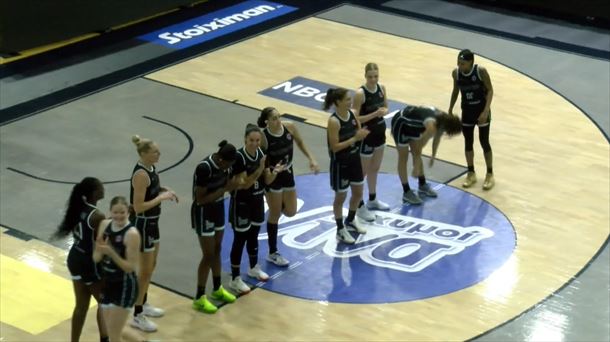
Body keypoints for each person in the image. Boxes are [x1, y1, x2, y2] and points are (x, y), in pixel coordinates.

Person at [257, 107, 319, 266]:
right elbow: (260, 160)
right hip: (272, 175)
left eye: (278, 117)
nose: (278, 121)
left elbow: (300, 142)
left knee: (291, 211)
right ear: (267, 121)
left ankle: (275, 203)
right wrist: (267, 176)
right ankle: (273, 252)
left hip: (287, 171)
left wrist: (311, 159)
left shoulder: (289, 127)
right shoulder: (263, 137)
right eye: (274, 118)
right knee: (275, 214)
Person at [228, 124, 286, 294]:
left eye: (257, 140)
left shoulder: (261, 154)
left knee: (253, 235)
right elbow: (244, 184)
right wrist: (260, 168)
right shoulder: (239, 157)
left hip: (257, 201)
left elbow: (266, 180)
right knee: (240, 239)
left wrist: (274, 171)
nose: (254, 143)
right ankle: (235, 278)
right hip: (241, 203)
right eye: (251, 140)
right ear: (245, 139)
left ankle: (253, 267)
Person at [129, 135, 178, 333]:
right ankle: (137, 314)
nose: (159, 154)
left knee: (152, 266)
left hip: (153, 224)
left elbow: (152, 190)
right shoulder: (141, 175)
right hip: (143, 224)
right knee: (145, 270)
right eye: (155, 152)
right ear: (144, 155)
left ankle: (144, 302)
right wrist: (161, 197)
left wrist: (163, 190)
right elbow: (138, 207)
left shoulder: (151, 169)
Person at [54, 177, 108, 342]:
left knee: (81, 306)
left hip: (75, 257)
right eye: (100, 187)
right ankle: (105, 339)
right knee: (106, 303)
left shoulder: (78, 207)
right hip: (88, 261)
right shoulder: (97, 215)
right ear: (94, 193)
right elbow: (102, 242)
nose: (103, 188)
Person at [191, 140, 241, 313]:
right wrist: (225, 189)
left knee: (218, 249)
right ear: (220, 160)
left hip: (219, 208)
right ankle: (199, 297)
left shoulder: (226, 165)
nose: (229, 167)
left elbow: (230, 181)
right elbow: (200, 199)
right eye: (228, 163)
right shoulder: (204, 168)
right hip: (204, 211)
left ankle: (217, 288)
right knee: (208, 254)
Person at [324, 87, 370, 244]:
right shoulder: (334, 121)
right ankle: (339, 229)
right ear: (338, 102)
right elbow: (335, 147)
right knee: (340, 198)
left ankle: (350, 220)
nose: (351, 101)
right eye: (347, 99)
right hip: (340, 164)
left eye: (350, 99)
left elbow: (358, 132)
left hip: (354, 160)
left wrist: (362, 135)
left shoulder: (352, 114)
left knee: (358, 193)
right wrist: (355, 139)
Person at [391, 105, 462, 204]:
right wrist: (415, 168)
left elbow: (437, 138)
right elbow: (419, 147)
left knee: (416, 152)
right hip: (401, 124)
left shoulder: (443, 119)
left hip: (414, 125)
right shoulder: (431, 126)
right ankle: (406, 191)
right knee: (404, 157)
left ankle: (422, 184)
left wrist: (433, 155)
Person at [93, 196, 141, 342]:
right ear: (110, 212)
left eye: (122, 212)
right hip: (108, 283)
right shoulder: (104, 225)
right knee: (111, 329)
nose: (119, 216)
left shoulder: (132, 234)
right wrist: (100, 249)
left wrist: (111, 252)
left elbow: (130, 267)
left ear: (128, 212)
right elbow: (96, 258)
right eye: (116, 212)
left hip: (125, 286)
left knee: (113, 336)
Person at [448, 49, 495, 190]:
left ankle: (490, 174)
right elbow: (455, 91)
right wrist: (450, 108)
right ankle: (471, 172)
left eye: (462, 63)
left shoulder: (481, 72)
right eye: (458, 62)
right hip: (467, 111)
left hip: (481, 111)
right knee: (468, 142)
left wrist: (486, 111)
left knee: (484, 141)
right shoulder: (456, 73)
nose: (459, 65)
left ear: (470, 63)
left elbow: (491, 90)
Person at [351, 62, 390, 221]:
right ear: (365, 76)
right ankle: (359, 206)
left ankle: (372, 199)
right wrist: (375, 114)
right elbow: (355, 118)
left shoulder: (382, 88)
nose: (373, 80)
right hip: (366, 135)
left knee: (375, 168)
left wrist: (384, 111)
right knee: (363, 173)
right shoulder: (360, 93)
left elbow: (386, 106)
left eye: (376, 76)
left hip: (380, 134)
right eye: (370, 77)